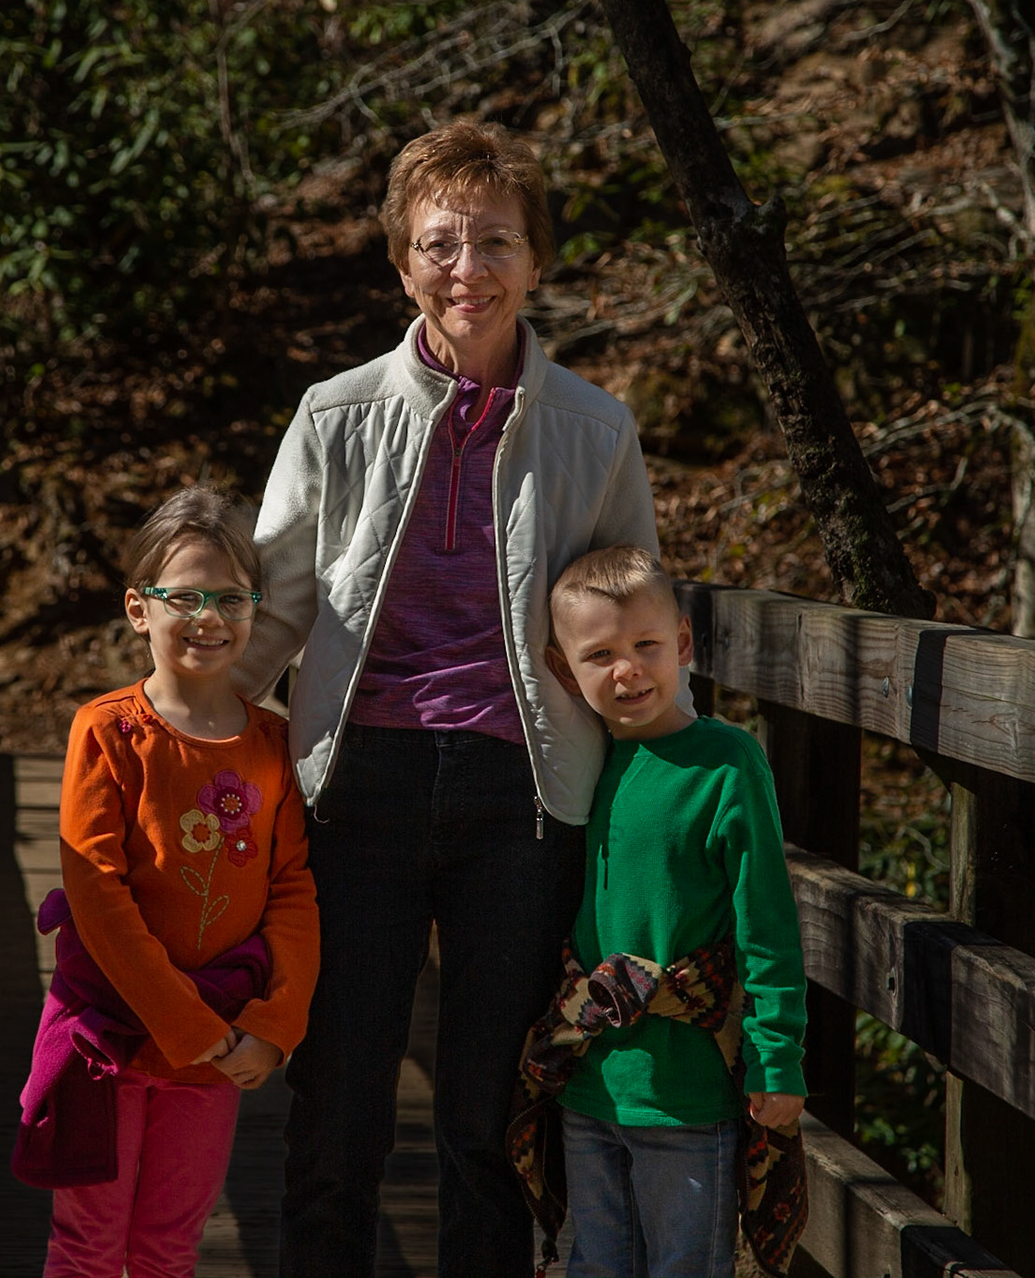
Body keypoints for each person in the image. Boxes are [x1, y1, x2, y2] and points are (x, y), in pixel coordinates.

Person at [238, 119, 686, 1277]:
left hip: (522, 798)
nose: (467, 268)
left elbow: (630, 629)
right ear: (403, 264)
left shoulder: (595, 428)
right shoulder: (334, 414)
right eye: (439, 243)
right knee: (338, 1104)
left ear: (535, 262)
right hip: (359, 788)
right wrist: (169, 733)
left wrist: (676, 789)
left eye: (496, 241)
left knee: (492, 1117)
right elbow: (275, 609)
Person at [17, 486, 319, 1278]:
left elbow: (292, 889)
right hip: (110, 1034)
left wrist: (276, 1023)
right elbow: (98, 893)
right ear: (138, 609)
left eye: (231, 598)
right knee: (88, 1244)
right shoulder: (109, 732)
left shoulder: (273, 744)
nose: (208, 617)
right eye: (184, 596)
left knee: (167, 1247)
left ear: (256, 610)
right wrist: (185, 1025)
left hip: (220, 1043)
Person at [514, 545, 808, 1278]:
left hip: (689, 1092)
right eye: (600, 655)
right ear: (563, 671)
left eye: (646, 645)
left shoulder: (727, 764)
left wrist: (776, 1055)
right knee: (596, 1265)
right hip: (590, 1085)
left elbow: (768, 925)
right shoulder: (578, 769)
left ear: (682, 642)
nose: (627, 670)